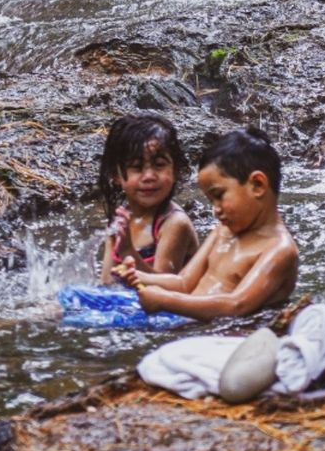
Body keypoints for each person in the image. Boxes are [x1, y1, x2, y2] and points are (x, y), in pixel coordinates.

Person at [120, 126, 298, 321]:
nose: (216, 209)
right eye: (211, 200)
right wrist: (139, 277)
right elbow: (184, 283)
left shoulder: (279, 250)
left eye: (219, 196)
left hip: (227, 337)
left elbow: (236, 305)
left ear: (257, 185)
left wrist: (165, 301)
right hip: (188, 323)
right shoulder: (223, 231)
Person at [98, 113, 199, 283]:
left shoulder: (174, 224)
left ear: (175, 170)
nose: (149, 176)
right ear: (116, 176)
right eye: (137, 167)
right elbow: (106, 283)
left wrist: (127, 251)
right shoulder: (121, 221)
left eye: (159, 165)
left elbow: (164, 290)